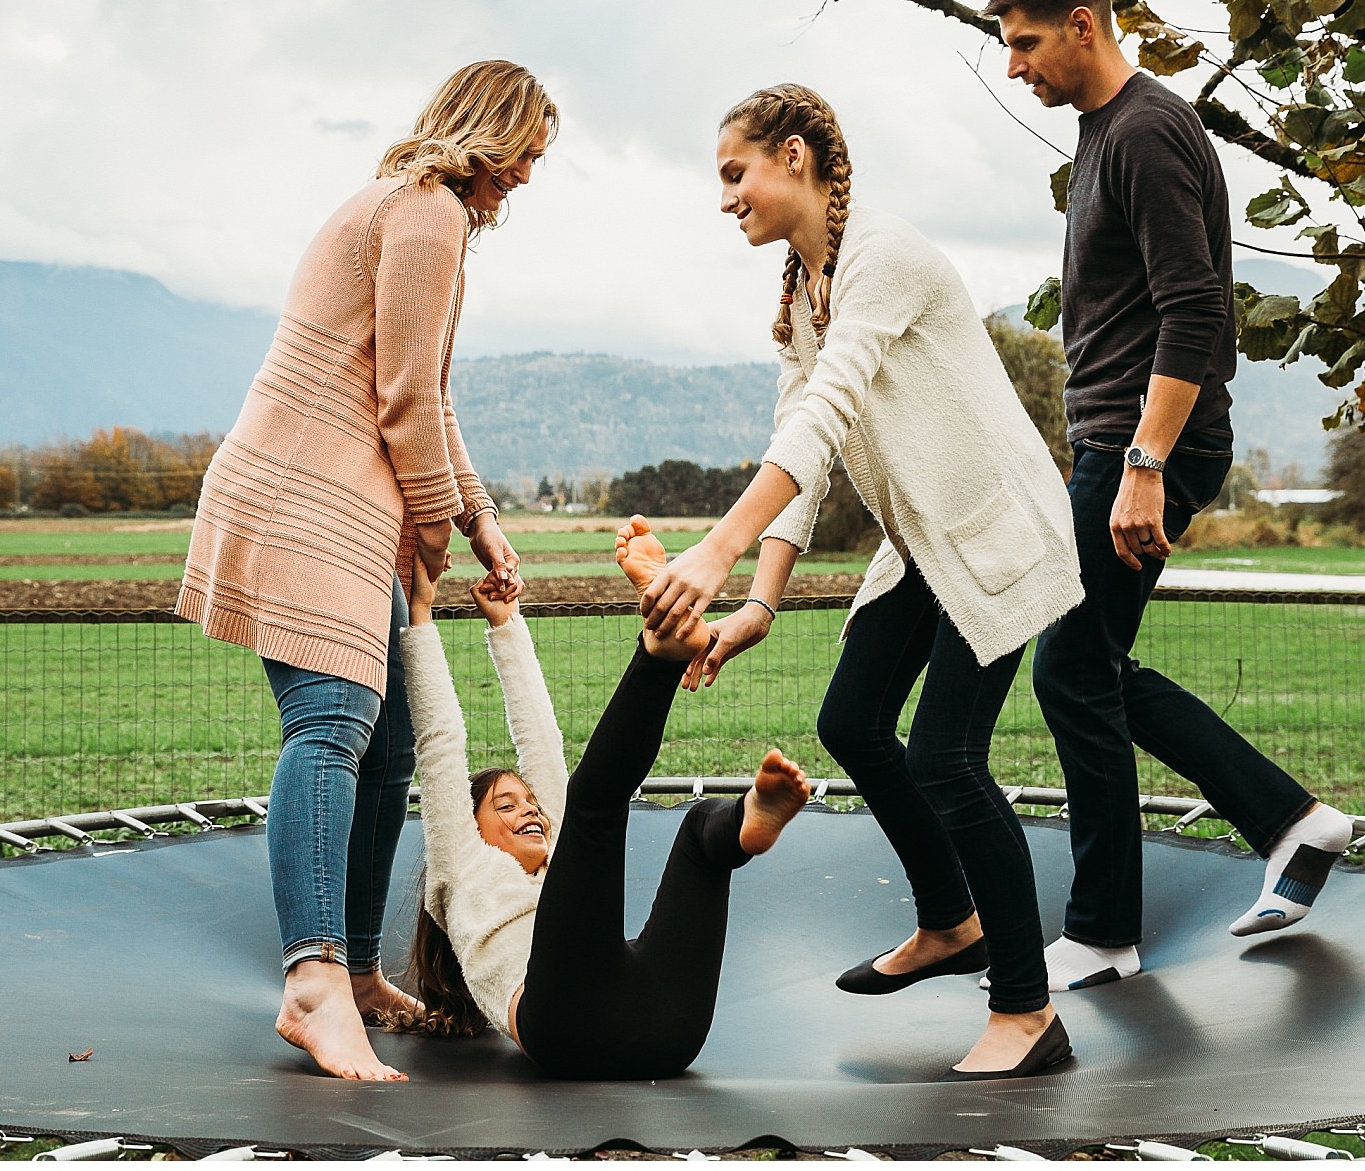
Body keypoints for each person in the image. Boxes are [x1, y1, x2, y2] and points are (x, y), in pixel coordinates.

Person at [639, 85, 1086, 1079]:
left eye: (733, 174)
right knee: (850, 722)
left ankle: (1026, 1013)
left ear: (792, 156)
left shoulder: (880, 257)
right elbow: (801, 430)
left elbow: (829, 406)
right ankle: (948, 920)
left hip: (992, 533)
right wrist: (757, 598)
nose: (724, 200)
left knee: (946, 758)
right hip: (924, 542)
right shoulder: (806, 282)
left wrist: (712, 551)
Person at [176, 61, 554, 1081]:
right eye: (525, 151)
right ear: (490, 131)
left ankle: (358, 971)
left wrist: (474, 515)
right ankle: (313, 981)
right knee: (332, 725)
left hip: (337, 502)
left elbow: (427, 392)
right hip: (308, 498)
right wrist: (436, 527)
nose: (526, 174)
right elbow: (401, 403)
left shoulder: (413, 210)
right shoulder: (424, 214)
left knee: (386, 752)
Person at [986, 0, 1352, 994]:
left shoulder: (1145, 131)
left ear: (1082, 26)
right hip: (1114, 441)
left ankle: (1103, 929)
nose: (1014, 68)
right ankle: (1291, 820)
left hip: (1144, 444)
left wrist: (1142, 461)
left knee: (1067, 669)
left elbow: (1196, 311)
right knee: (1089, 663)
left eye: (1023, 43)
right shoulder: (1107, 133)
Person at [390, 519, 812, 1080]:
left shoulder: (559, 855)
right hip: (564, 1024)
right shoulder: (458, 869)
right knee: (595, 802)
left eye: (528, 801)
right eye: (506, 806)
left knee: (701, 827)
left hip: (669, 1028)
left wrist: (507, 624)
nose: (531, 811)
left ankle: (744, 825)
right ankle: (661, 649)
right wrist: (421, 616)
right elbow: (440, 742)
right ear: (470, 828)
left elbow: (539, 734)